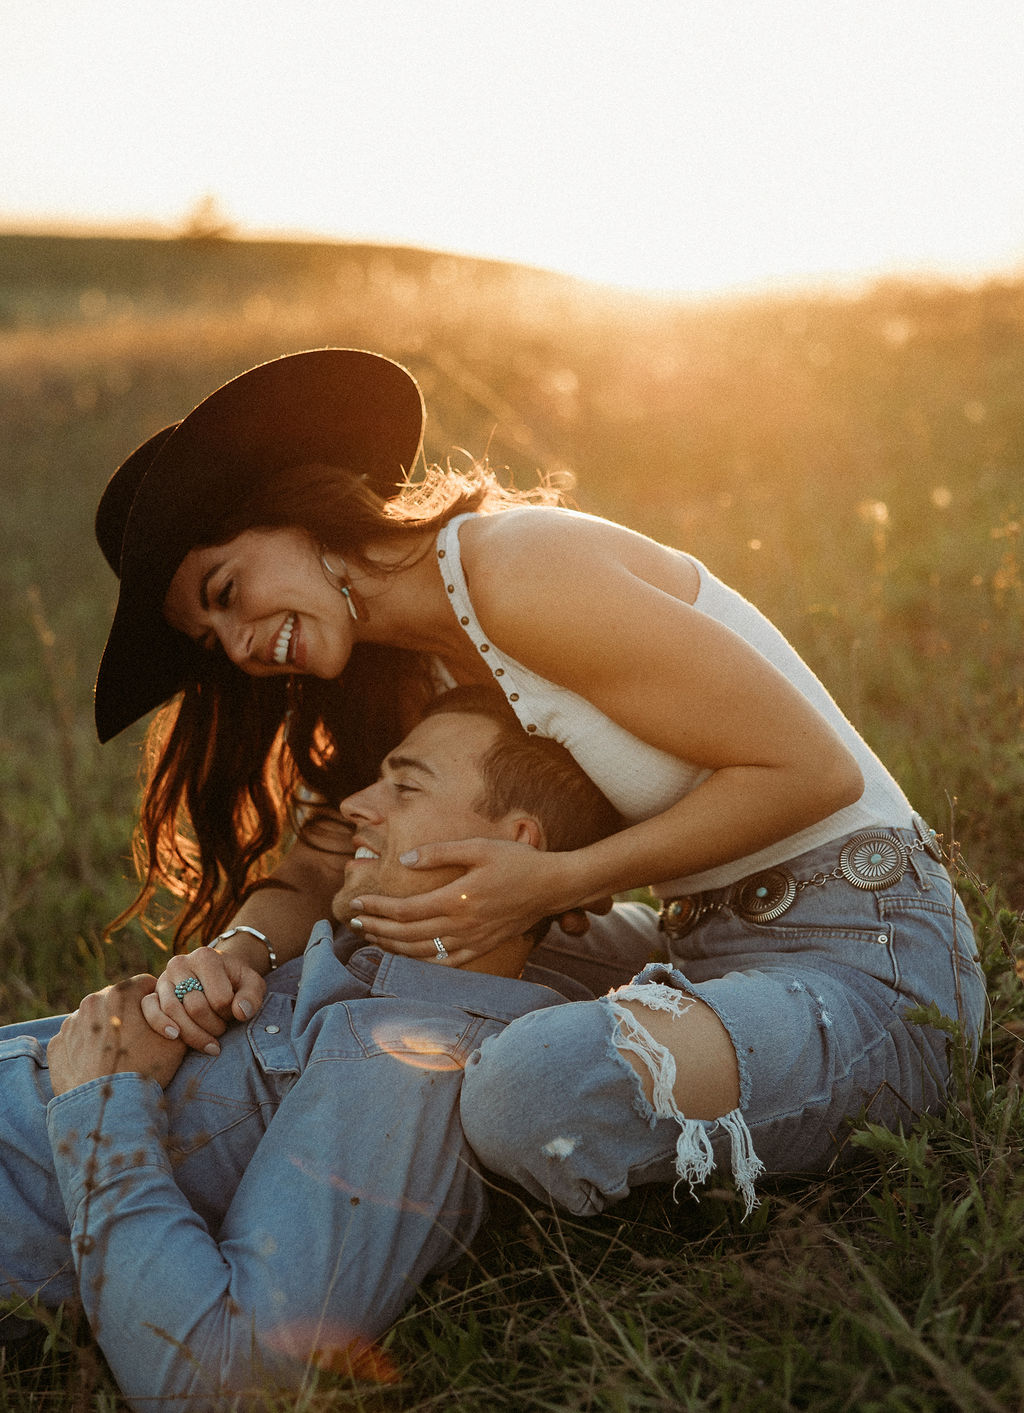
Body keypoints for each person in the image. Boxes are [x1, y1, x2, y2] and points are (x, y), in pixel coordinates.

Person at [91, 347, 985, 1220]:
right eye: (213, 640)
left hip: (867, 950)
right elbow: (327, 863)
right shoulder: (398, 667)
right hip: (693, 941)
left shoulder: (517, 570)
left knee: (529, 1094)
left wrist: (559, 881)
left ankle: (423, 1184)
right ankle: (288, 1160)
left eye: (226, 589)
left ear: (297, 511)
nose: (241, 644)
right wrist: (243, 947)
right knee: (380, 930)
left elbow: (811, 771)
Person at [0, 687, 635, 1409]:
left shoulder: (411, 1063)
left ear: (519, 843)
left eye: (406, 784)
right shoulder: (366, 965)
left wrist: (101, 1103)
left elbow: (222, 1379)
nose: (358, 804)